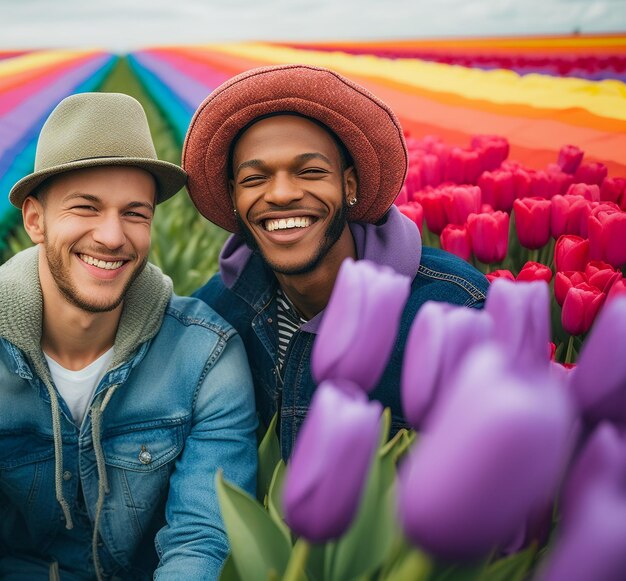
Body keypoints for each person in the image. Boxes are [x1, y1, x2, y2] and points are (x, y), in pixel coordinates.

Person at [0, 92, 257, 580]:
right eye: (86, 207)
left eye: (135, 213)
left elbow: (201, 539)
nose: (113, 236)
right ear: (35, 220)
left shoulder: (204, 357)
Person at [183, 64, 489, 459]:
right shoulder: (222, 309)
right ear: (234, 198)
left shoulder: (454, 312)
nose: (280, 194)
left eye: (310, 171)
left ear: (350, 185)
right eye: (254, 179)